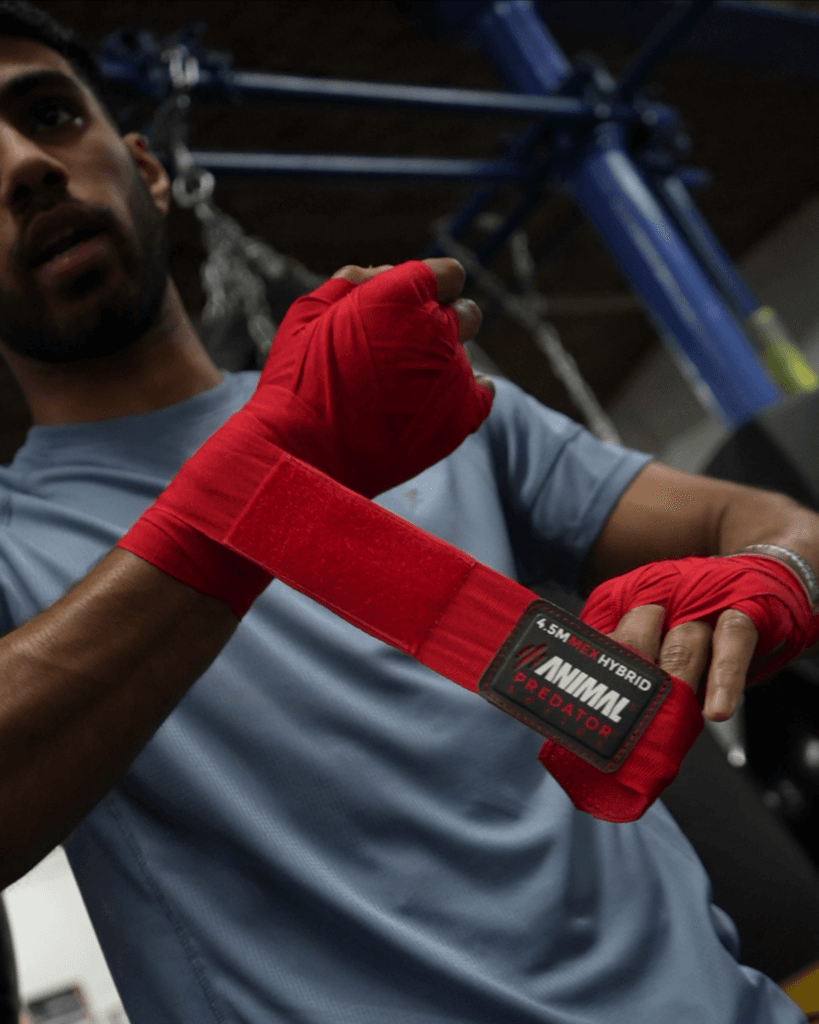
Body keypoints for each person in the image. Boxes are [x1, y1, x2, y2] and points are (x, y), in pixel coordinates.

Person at [0, 2, 816, 1021]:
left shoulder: (424, 408)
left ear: (148, 170)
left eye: (47, 114)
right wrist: (264, 477)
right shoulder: (12, 545)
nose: (24, 165)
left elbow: (765, 518)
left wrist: (777, 572)